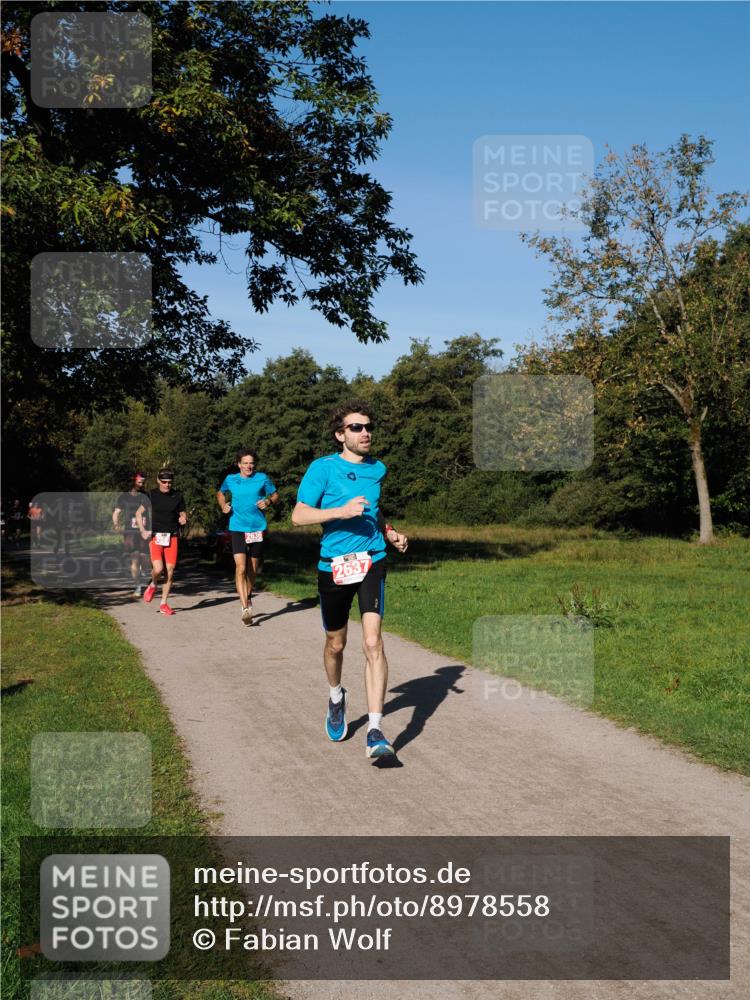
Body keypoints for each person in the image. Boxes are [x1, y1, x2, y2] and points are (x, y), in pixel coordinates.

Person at [292, 400, 408, 760]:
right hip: (335, 565)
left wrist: (388, 531)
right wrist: (340, 512)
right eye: (356, 427)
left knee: (373, 643)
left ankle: (375, 729)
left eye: (368, 426)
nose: (365, 432)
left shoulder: (378, 469)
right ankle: (336, 695)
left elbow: (374, 509)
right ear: (340, 434)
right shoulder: (322, 469)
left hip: (372, 560)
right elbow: (298, 515)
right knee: (336, 644)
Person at [216, 449, 279, 625]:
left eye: (251, 463)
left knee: (252, 569)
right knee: (241, 568)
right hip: (237, 528)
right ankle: (245, 607)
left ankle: (248, 595)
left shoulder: (262, 478)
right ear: (239, 464)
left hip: (257, 528)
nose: (249, 466)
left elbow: (275, 495)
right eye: (245, 463)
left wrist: (267, 501)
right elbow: (220, 493)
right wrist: (223, 504)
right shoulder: (231, 479)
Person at [136, 469, 187, 616]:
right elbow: (138, 514)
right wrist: (142, 530)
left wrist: (183, 518)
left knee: (169, 572)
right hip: (156, 536)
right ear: (158, 481)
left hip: (172, 536)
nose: (167, 485)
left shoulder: (178, 496)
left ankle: (164, 603)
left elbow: (182, 512)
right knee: (158, 570)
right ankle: (153, 584)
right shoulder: (151, 495)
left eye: (170, 482)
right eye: (164, 482)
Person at [112, 473, 150, 597]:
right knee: (134, 559)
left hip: (144, 531)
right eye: (139, 482)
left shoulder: (146, 496)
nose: (141, 484)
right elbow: (116, 512)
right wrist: (116, 525)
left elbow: (153, 511)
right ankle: (138, 587)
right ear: (134, 482)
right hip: (130, 533)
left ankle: (144, 570)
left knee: (144, 558)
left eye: (143, 482)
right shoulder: (124, 497)